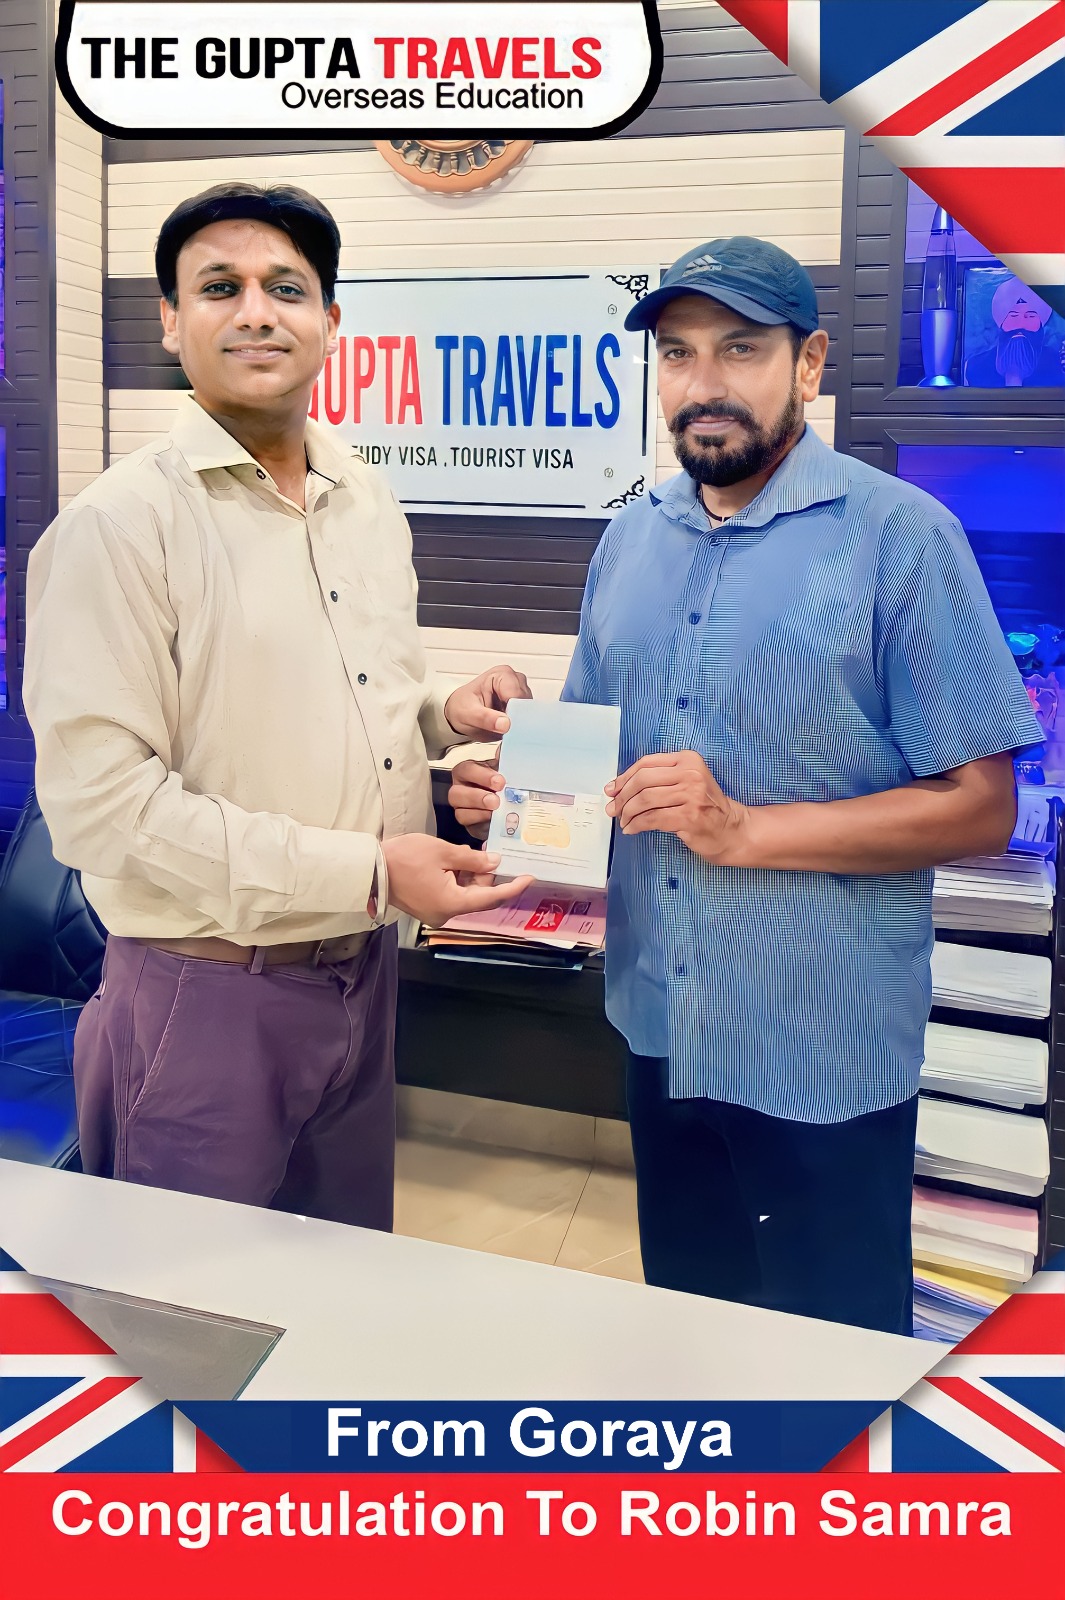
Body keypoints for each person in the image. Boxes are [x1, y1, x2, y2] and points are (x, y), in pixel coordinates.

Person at [449, 236, 1043, 1334]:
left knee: (833, 1366)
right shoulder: (630, 539)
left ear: (808, 363)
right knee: (693, 1337)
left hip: (819, 1047)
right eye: (677, 353)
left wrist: (744, 828)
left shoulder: (901, 538)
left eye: (740, 349)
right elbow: (597, 774)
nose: (702, 382)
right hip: (658, 1025)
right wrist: (516, 795)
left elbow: (982, 805)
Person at [24, 182, 533, 1229]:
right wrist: (370, 872)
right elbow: (101, 811)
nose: (256, 311)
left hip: (365, 978)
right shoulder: (119, 527)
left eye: (286, 289)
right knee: (183, 1304)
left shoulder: (364, 497)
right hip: (205, 998)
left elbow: (357, 686)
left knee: (336, 1284)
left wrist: (447, 709)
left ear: (330, 321)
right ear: (172, 321)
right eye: (220, 287)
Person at [964, 277, 1064, 387]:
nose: (1021, 324)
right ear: (1001, 322)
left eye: (1030, 316)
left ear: (1041, 324)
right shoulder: (974, 366)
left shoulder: (1059, 363)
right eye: (1014, 316)